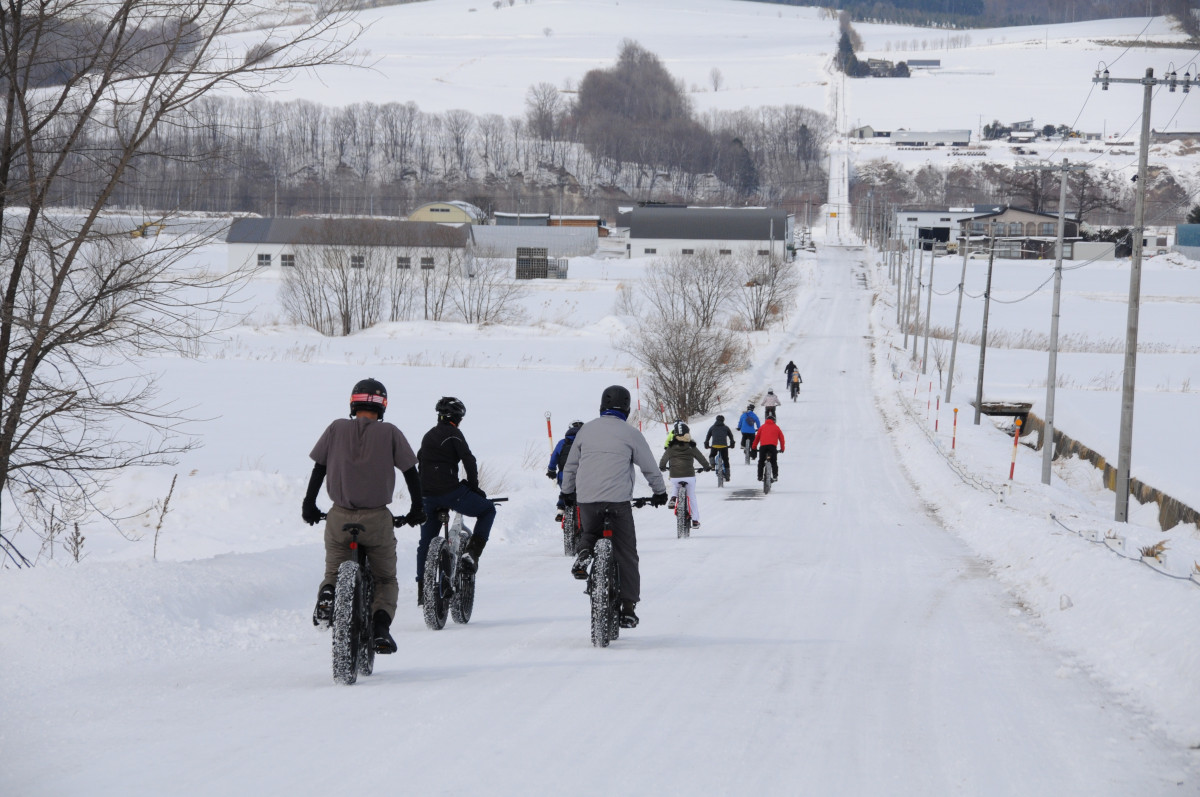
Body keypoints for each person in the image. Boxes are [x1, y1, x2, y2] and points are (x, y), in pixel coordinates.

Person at [302, 378, 424, 655]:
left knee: (333, 571)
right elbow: (410, 473)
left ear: (353, 403)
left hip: (338, 518)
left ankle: (329, 594)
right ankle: (380, 627)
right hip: (376, 519)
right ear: (382, 407)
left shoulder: (335, 428)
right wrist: (418, 508)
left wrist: (309, 503)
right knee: (385, 579)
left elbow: (319, 468)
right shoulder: (390, 432)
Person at [560, 385, 668, 629]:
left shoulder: (585, 431)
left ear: (602, 406)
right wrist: (659, 492)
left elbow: (571, 466)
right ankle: (628, 608)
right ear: (627, 409)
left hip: (587, 499)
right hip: (618, 502)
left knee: (590, 531)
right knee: (626, 552)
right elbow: (649, 466)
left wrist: (567, 492)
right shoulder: (631, 433)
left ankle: (585, 552)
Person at [416, 397, 496, 601]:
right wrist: (474, 486)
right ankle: (472, 554)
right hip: (451, 492)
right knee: (487, 510)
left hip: (426, 496)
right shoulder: (454, 434)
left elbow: (420, 464)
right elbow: (469, 460)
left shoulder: (428, 435)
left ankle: (422, 590)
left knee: (426, 542)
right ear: (458, 418)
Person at [658, 422, 710, 529]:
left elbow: (663, 460)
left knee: (675, 486)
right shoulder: (691, 446)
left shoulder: (671, 447)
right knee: (691, 497)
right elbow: (701, 458)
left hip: (674, 475)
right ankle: (695, 521)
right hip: (689, 476)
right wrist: (706, 466)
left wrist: (662, 467)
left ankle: (673, 498)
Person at [547, 420, 585, 521]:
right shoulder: (587, 443)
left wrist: (551, 470)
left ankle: (561, 509)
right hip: (584, 476)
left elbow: (554, 458)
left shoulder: (562, 443)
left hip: (564, 476)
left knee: (565, 491)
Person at [752, 415, 786, 482]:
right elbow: (782, 439)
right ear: (774, 420)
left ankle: (760, 476)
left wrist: (754, 447)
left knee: (761, 461)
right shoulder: (776, 427)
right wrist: (782, 448)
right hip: (772, 447)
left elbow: (757, 438)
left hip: (763, 447)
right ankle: (775, 476)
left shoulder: (762, 427)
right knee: (774, 462)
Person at [703, 414, 736, 480]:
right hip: (724, 446)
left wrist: (706, 444)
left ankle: (712, 465)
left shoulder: (712, 427)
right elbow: (731, 436)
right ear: (723, 420)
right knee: (726, 460)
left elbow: (708, 436)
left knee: (712, 455)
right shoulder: (726, 428)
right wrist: (732, 444)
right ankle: (727, 476)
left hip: (714, 446)